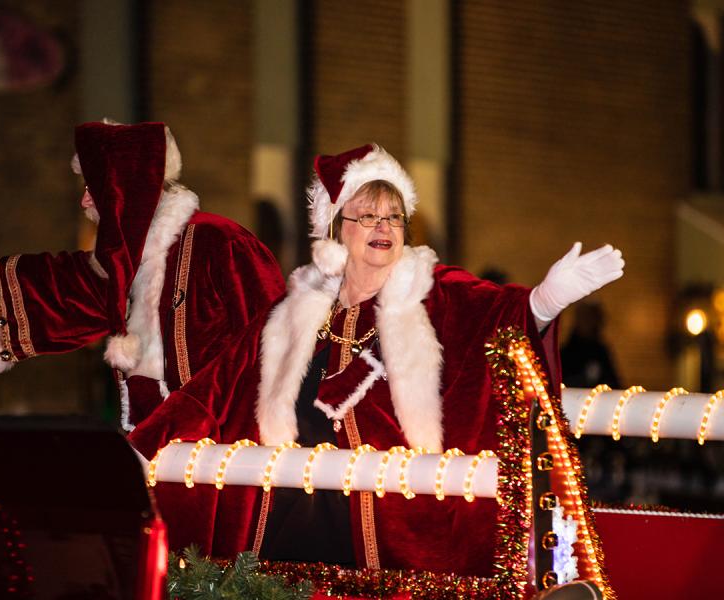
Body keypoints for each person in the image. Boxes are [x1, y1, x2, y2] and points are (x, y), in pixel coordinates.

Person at [128, 144, 624, 591]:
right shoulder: (291, 314)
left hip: (389, 550)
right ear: (335, 228)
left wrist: (543, 302)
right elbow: (212, 392)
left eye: (394, 217)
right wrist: (138, 452)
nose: (384, 228)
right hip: (283, 544)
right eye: (367, 215)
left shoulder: (435, 294)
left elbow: (494, 320)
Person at [0, 121, 285, 429]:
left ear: (122, 190)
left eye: (90, 188)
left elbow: (274, 343)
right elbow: (56, 287)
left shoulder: (221, 242)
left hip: (223, 450)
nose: (83, 202)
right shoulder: (123, 267)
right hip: (153, 446)